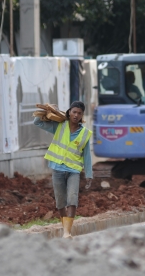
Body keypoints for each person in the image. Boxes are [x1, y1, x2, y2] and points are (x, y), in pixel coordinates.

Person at [33, 101, 93, 238]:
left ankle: (67, 232)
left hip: (74, 171)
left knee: (72, 198)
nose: (76, 115)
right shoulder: (59, 126)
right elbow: (37, 122)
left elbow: (87, 155)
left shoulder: (85, 134)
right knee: (60, 201)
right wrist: (47, 112)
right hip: (57, 169)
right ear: (69, 112)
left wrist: (89, 174)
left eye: (79, 113)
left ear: (82, 115)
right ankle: (65, 227)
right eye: (74, 112)